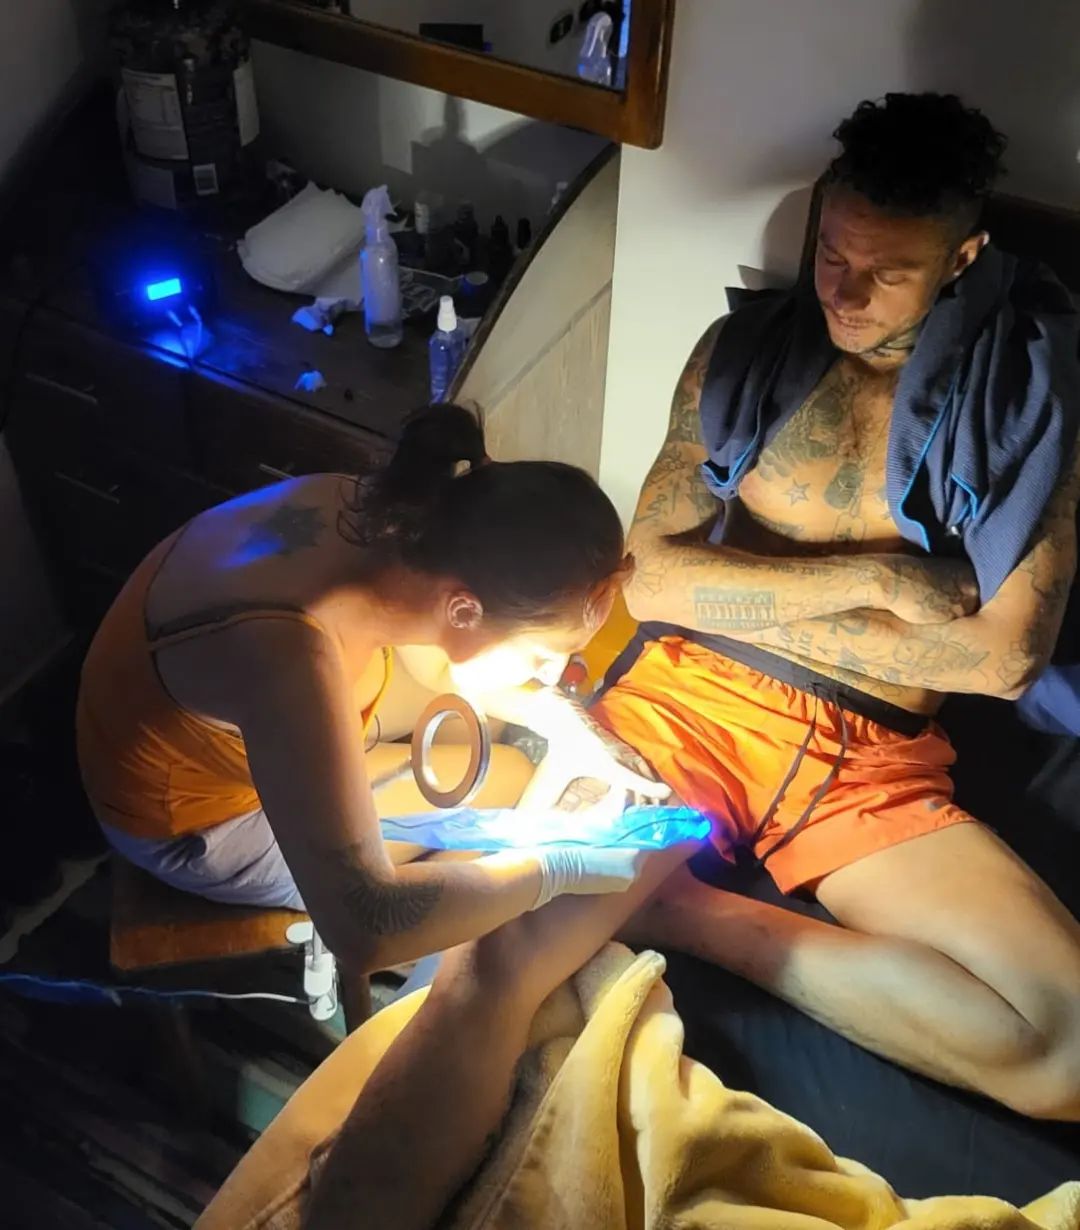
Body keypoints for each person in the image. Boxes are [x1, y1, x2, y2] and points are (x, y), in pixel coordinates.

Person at [591, 93, 1080, 1118]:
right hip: (690, 707)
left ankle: (680, 914)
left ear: (961, 258)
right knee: (500, 881)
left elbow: (1002, 663)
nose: (844, 295)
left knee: (1070, 1050)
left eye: (887, 273)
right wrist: (875, 581)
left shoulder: (1030, 403)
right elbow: (647, 580)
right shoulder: (742, 354)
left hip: (871, 765)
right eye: (831, 255)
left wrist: (730, 596)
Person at [76, 405, 667, 975]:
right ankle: (444, 971)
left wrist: (568, 724)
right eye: (541, 655)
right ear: (464, 609)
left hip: (242, 704)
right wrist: (557, 868)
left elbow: (443, 671)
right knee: (508, 779)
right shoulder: (288, 655)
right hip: (199, 824)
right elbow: (366, 927)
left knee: (488, 735)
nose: (554, 674)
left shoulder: (403, 517)